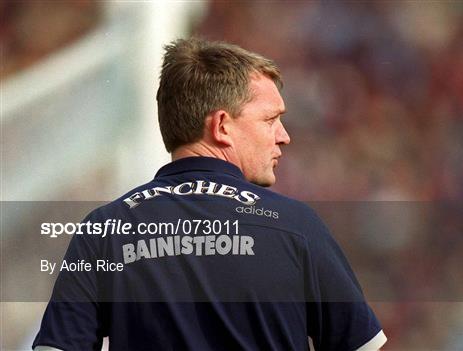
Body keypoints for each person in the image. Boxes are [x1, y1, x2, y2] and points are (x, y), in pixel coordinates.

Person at [33, 38, 387, 351]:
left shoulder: (104, 230)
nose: (283, 136)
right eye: (270, 120)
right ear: (221, 127)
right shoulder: (295, 226)